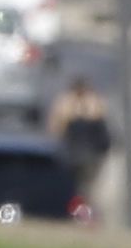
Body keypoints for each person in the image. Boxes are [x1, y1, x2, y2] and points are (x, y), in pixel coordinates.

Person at [46, 74, 111, 219]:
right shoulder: (66, 103)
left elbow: (99, 122)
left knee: (86, 188)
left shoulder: (93, 102)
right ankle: (79, 213)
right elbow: (56, 127)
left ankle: (84, 214)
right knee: (77, 188)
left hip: (91, 154)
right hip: (74, 153)